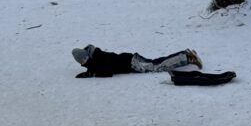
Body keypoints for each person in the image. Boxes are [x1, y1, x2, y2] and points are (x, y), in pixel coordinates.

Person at [72, 44, 202, 78]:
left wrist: (91, 73)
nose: (83, 64)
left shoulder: (98, 58)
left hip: (132, 63)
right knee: (157, 63)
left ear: (86, 57)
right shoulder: (96, 57)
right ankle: (185, 55)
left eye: (83, 61)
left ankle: (187, 57)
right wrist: (90, 71)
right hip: (130, 60)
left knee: (157, 66)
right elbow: (97, 68)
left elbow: (107, 72)